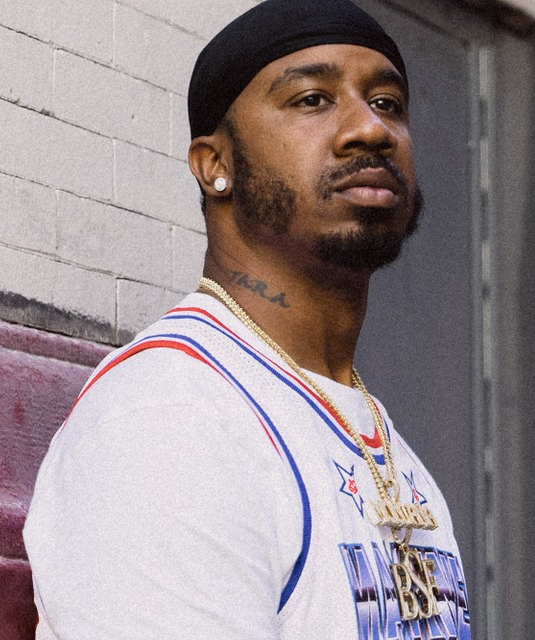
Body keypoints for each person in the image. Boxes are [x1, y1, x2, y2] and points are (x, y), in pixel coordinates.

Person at [23, 0, 472, 638]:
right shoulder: (170, 420)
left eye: (387, 102)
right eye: (312, 100)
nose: (370, 128)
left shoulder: (383, 444)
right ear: (216, 165)